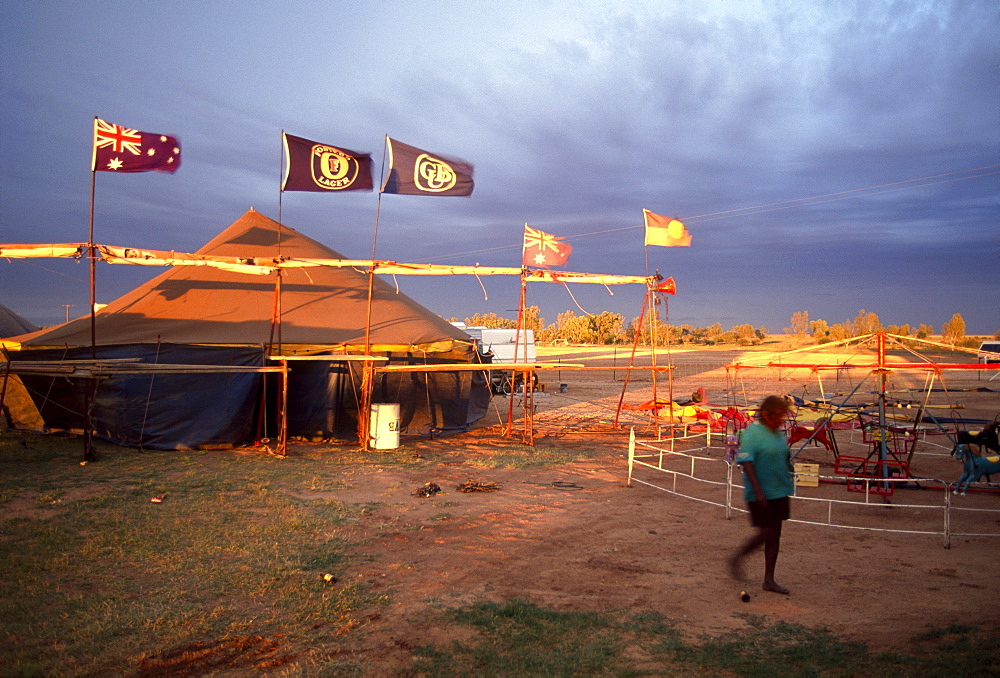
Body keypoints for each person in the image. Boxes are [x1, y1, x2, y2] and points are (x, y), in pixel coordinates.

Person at [728, 395, 794, 595]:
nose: (780, 421)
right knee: (766, 532)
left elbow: (782, 455)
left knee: (775, 535)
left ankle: (769, 580)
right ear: (766, 414)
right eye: (777, 416)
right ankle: (738, 557)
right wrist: (757, 490)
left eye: (782, 417)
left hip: (779, 489)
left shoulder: (777, 434)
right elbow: (746, 461)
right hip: (760, 492)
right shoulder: (752, 433)